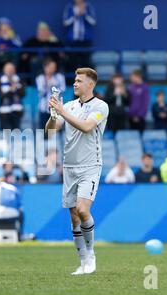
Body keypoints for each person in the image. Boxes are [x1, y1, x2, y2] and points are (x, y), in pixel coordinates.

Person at [47, 67, 109, 275]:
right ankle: (82, 262)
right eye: (74, 80)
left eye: (79, 81)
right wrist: (54, 114)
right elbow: (50, 130)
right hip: (69, 166)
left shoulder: (101, 106)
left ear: (90, 85)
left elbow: (86, 127)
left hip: (90, 166)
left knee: (83, 210)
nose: (75, 84)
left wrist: (62, 111)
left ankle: (91, 255)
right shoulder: (71, 106)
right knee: (74, 216)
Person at [63, 0, 96, 71]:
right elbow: (65, 22)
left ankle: (87, 81)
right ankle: (73, 81)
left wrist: (84, 14)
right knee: (72, 63)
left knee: (86, 63)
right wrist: (76, 15)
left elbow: (93, 21)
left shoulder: (88, 6)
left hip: (85, 41)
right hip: (73, 41)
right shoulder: (69, 7)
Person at [36, 59, 66, 130]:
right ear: (45, 67)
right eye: (51, 67)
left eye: (54, 67)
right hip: (44, 107)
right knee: (44, 130)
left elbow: (63, 89)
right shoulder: (40, 78)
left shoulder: (59, 77)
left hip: (56, 108)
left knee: (57, 129)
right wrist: (47, 85)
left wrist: (54, 87)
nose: (53, 69)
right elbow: (41, 92)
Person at [0, 62, 25, 130]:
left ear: (14, 70)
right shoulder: (1, 80)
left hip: (16, 111)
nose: (10, 71)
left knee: (16, 132)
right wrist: (11, 90)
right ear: (4, 71)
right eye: (8, 69)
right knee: (6, 132)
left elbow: (23, 94)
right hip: (4, 112)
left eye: (11, 69)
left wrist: (17, 88)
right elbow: (0, 96)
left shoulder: (19, 80)